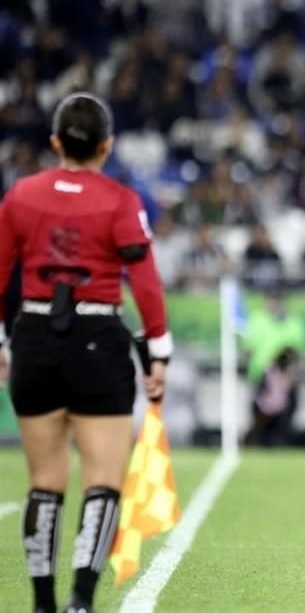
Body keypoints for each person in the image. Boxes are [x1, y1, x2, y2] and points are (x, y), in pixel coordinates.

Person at [0, 93, 172, 613]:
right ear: (106, 145)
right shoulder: (120, 202)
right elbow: (145, 282)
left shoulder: (20, 198)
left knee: (44, 484)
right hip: (98, 343)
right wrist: (157, 353)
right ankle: (80, 600)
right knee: (102, 482)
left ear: (56, 143)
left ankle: (44, 604)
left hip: (33, 338)